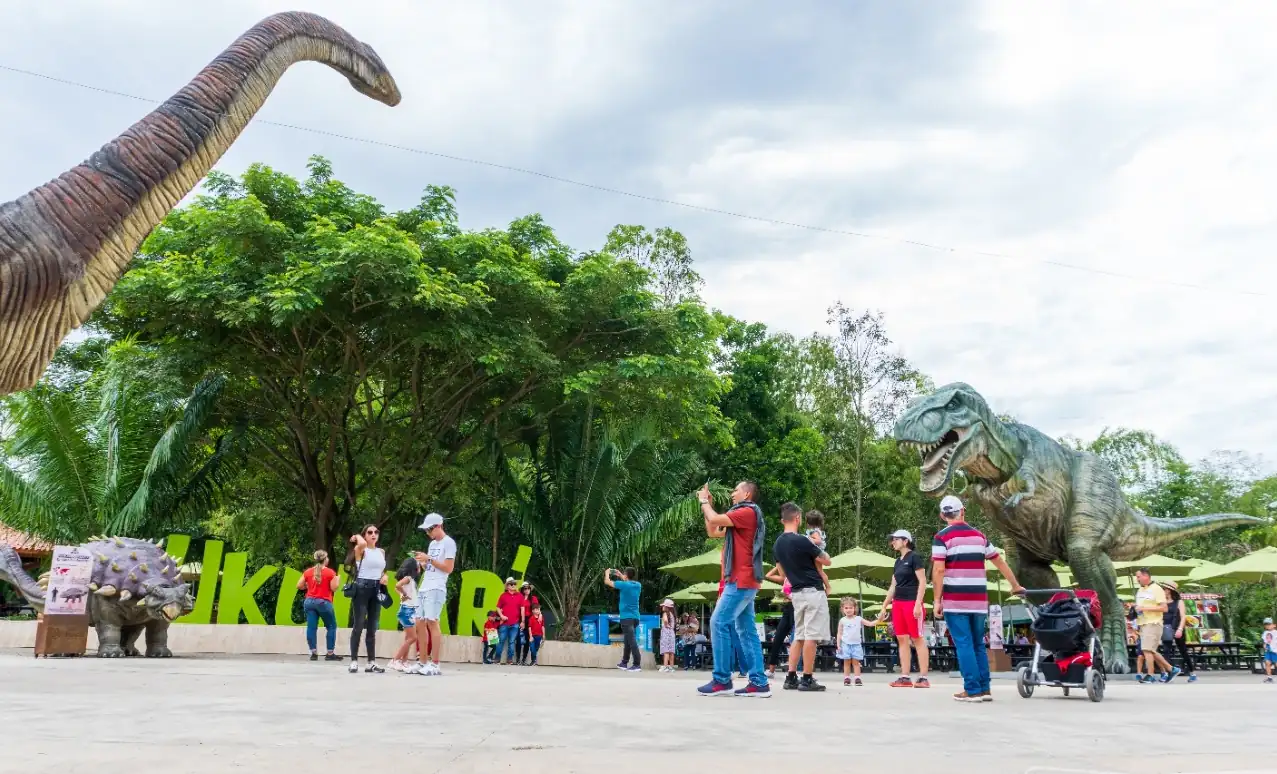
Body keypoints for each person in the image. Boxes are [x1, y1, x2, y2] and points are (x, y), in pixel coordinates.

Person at [931, 495, 1024, 702]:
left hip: (955, 600)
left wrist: (937, 600)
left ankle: (972, 690)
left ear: (942, 515)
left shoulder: (942, 538)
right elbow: (999, 562)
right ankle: (984, 689)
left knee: (963, 644)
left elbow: (938, 570)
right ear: (962, 511)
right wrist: (1015, 585)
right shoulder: (980, 537)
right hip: (979, 600)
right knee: (978, 644)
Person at [696, 480, 770, 697]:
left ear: (747, 493)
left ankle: (721, 680)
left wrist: (703, 501)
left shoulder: (747, 511)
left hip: (740, 580)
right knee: (746, 632)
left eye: (736, 489)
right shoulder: (741, 515)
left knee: (718, 622)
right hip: (743, 581)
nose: (732, 493)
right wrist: (707, 505)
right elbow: (713, 530)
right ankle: (758, 683)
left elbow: (715, 518)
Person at [771, 501, 832, 692]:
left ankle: (791, 677)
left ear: (783, 520)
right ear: (797, 518)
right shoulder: (803, 541)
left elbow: (782, 574)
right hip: (813, 591)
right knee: (811, 637)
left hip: (795, 594)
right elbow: (826, 560)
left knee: (799, 635)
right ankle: (807, 678)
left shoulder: (778, 544)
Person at [879, 527, 931, 688]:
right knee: (902, 638)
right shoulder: (897, 562)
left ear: (906, 541)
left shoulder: (915, 557)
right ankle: (905, 676)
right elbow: (893, 585)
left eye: (896, 539)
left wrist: (917, 604)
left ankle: (923, 677)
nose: (892, 542)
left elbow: (923, 582)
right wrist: (884, 606)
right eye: (892, 539)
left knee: (917, 638)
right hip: (898, 603)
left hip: (912, 602)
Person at [408, 512, 455, 676]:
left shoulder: (449, 543)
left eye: (429, 529)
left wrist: (429, 560)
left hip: (437, 586)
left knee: (432, 621)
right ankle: (422, 662)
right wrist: (423, 562)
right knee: (419, 622)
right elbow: (431, 565)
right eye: (426, 530)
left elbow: (448, 568)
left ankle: (435, 664)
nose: (428, 533)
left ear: (438, 526)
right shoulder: (432, 544)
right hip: (425, 585)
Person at [345, 524, 388, 673]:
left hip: (376, 588)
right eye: (370, 532)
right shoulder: (360, 549)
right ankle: (354, 661)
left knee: (372, 627)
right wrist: (357, 536)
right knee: (358, 625)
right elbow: (362, 543)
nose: (374, 534)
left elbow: (381, 570)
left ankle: (371, 662)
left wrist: (384, 576)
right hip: (362, 587)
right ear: (365, 535)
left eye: (376, 532)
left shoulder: (381, 552)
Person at [1134, 568, 1178, 684]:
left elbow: (1164, 608)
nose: (1137, 579)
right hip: (1142, 623)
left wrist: (1144, 608)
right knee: (1151, 650)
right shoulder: (1140, 590)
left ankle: (1151, 675)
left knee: (1146, 649)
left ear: (1146, 576)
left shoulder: (1156, 589)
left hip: (1153, 622)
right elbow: (1140, 606)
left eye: (1138, 577)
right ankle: (1171, 669)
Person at [298, 550, 341, 661]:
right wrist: (338, 580)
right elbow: (333, 588)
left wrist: (308, 587)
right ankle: (330, 653)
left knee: (311, 627)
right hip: (323, 602)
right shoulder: (330, 573)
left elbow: (299, 585)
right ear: (325, 559)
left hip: (309, 602)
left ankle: (313, 653)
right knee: (331, 626)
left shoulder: (308, 572)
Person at [388, 551, 424, 672]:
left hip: (409, 610)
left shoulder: (411, 580)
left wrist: (402, 595)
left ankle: (404, 662)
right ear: (414, 568)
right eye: (418, 565)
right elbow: (398, 585)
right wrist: (403, 594)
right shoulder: (408, 578)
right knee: (412, 638)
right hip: (407, 611)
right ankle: (394, 660)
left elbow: (396, 587)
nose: (420, 567)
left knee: (408, 638)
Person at [604, 567, 643, 671]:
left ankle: (637, 664)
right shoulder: (638, 585)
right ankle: (624, 663)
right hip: (635, 618)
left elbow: (607, 582)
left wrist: (607, 573)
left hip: (626, 618)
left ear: (626, 575)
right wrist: (621, 575)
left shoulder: (623, 585)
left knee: (631, 640)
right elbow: (628, 581)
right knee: (628, 640)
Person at [1158, 580, 1196, 683]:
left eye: (1164, 589)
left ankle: (1192, 672)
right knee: (1165, 651)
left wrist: (1180, 629)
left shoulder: (1179, 602)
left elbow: (1183, 617)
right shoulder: (1162, 602)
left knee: (1183, 650)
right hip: (1165, 627)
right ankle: (1167, 673)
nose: (1163, 591)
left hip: (1176, 627)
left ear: (1170, 591)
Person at [763, 566, 794, 678]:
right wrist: (778, 565)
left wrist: (790, 596)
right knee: (777, 639)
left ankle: (796, 670)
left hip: (797, 608)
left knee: (796, 639)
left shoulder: (800, 577)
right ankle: (771, 670)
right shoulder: (786, 578)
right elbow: (768, 575)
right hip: (787, 609)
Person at [836, 598, 868, 686]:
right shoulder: (842, 620)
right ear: (842, 609)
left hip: (856, 645)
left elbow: (870, 623)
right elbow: (839, 633)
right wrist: (838, 645)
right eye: (846, 608)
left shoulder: (859, 619)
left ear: (855, 608)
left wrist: (879, 619)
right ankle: (847, 678)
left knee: (856, 663)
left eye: (851, 607)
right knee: (846, 662)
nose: (848, 610)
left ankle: (857, 678)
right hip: (845, 644)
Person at [495, 577, 524, 666]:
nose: (513, 585)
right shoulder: (503, 596)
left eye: (514, 584)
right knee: (501, 641)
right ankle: (497, 659)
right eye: (511, 584)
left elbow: (522, 609)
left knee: (511, 642)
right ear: (507, 586)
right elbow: (498, 607)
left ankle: (510, 660)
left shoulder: (520, 596)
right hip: (504, 623)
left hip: (515, 623)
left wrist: (522, 621)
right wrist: (502, 616)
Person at [804, 510, 833, 593]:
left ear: (808, 523)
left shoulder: (814, 532)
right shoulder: (816, 530)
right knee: (819, 571)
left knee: (820, 571)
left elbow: (818, 541)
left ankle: (828, 587)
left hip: (818, 552)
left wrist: (808, 539)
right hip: (817, 551)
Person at [516, 582, 540, 666]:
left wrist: (539, 616)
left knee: (527, 640)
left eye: (528, 588)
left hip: (530, 620)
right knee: (519, 640)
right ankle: (518, 659)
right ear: (522, 590)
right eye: (525, 588)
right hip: (521, 620)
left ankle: (524, 659)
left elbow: (537, 609)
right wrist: (521, 621)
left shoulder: (533, 598)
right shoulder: (519, 598)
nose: (527, 590)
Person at [659, 599, 678, 672]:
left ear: (667, 607)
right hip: (671, 633)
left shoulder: (665, 614)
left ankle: (665, 666)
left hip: (666, 633)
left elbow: (665, 621)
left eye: (664, 605)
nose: (663, 606)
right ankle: (671, 667)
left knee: (666, 650)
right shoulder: (673, 614)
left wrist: (666, 625)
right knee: (671, 651)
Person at [1262, 617, 1276, 683]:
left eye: (1269, 624)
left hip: (1275, 651)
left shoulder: (1275, 632)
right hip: (1268, 651)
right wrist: (1264, 646)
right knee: (1267, 663)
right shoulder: (1265, 633)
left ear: (1274, 625)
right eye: (1266, 625)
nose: (1267, 626)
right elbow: (1265, 642)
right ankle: (1269, 677)